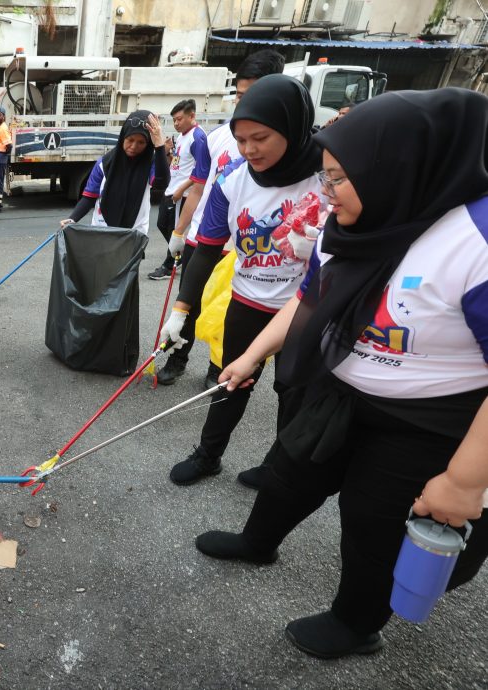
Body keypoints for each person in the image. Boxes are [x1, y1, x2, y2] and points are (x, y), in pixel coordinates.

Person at [195, 88, 488, 660]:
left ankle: (357, 623)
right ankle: (258, 543)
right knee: (288, 472)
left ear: (394, 170)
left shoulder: (473, 242)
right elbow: (306, 301)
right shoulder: (355, 219)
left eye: (335, 180)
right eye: (322, 178)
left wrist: (464, 481)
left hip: (426, 422)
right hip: (342, 390)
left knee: (372, 523)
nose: (324, 195)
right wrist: (251, 356)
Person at [159, 74, 323, 486]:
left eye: (261, 138)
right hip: (248, 299)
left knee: (293, 394)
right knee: (231, 380)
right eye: (241, 138)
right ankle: (208, 455)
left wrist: (321, 244)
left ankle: (277, 468)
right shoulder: (233, 179)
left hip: (305, 308)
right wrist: (181, 311)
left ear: (292, 127)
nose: (249, 149)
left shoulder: (327, 174)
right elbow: (208, 248)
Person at [157, 49, 286, 390]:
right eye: (241, 95)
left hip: (245, 248)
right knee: (190, 302)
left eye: (254, 95)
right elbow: (199, 188)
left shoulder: (280, 142)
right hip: (206, 238)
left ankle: (221, 366)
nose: (245, 104)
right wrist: (180, 231)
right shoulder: (214, 138)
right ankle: (177, 357)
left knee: (230, 315)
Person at [59, 111, 168, 235]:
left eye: (141, 142)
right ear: (123, 137)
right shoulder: (104, 164)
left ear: (148, 143)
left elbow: (162, 182)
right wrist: (72, 218)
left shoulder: (151, 163)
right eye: (130, 140)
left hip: (133, 234)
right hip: (102, 232)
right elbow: (89, 197)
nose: (134, 146)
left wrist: (159, 145)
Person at [148, 98, 209, 281]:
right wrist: (166, 152)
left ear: (192, 116)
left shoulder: (198, 137)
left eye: (179, 119)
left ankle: (169, 264)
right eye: (174, 120)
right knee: (162, 224)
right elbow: (177, 165)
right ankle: (181, 255)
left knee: (175, 229)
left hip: (183, 194)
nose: (176, 123)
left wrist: (181, 189)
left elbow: (202, 171)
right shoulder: (182, 137)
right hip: (171, 190)